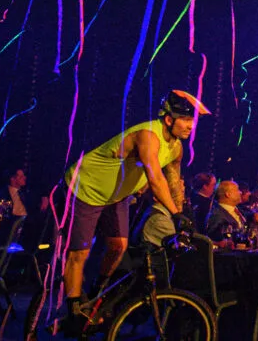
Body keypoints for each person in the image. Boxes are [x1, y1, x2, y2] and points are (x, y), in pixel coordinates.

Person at [61, 91, 201, 322]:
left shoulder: (176, 148)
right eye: (185, 120)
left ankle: (96, 294)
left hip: (115, 197)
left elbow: (174, 181)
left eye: (192, 121)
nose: (190, 126)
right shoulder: (148, 136)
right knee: (80, 253)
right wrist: (175, 214)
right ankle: (74, 310)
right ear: (169, 119)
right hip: (84, 189)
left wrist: (182, 219)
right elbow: (156, 179)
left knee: (119, 246)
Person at [200, 180, 254, 247]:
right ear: (228, 194)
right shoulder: (216, 215)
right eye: (237, 190)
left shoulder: (237, 210)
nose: (240, 192)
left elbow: (246, 218)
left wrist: (254, 215)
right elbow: (214, 239)